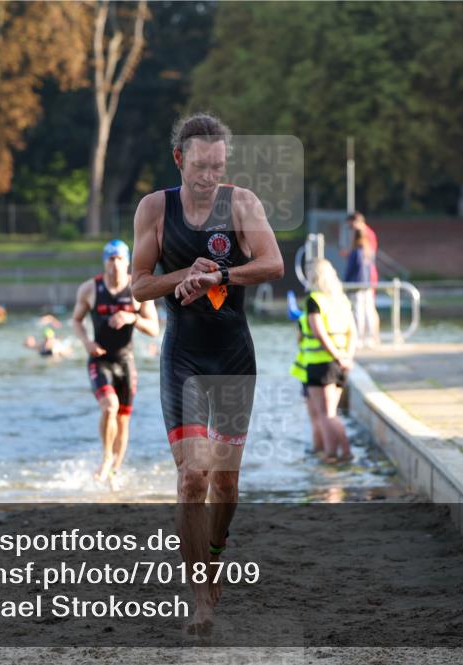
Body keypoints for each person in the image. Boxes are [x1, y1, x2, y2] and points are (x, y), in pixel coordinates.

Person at [131, 112, 284, 635]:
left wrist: (218, 274)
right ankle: (201, 598)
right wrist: (183, 275)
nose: (209, 176)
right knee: (192, 477)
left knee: (227, 482)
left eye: (218, 166)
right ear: (180, 159)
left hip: (234, 354)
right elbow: (138, 285)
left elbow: (272, 264)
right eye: (200, 166)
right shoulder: (155, 208)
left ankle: (215, 552)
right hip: (184, 357)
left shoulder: (241, 203)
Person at [71, 240, 159, 490]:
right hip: (100, 359)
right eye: (111, 258)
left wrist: (131, 317)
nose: (115, 264)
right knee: (110, 406)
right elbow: (76, 320)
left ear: (128, 261)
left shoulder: (138, 289)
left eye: (120, 258)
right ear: (104, 262)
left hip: (125, 361)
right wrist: (87, 342)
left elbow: (154, 328)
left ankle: (114, 472)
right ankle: (107, 456)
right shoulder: (90, 288)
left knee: (123, 421)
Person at [291, 260, 357, 463]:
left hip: (320, 364)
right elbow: (352, 333)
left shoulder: (314, 300)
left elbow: (319, 333)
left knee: (325, 415)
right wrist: (346, 358)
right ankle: (335, 453)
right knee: (329, 413)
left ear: (313, 277)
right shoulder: (342, 300)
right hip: (340, 364)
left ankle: (336, 454)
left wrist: (337, 356)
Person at [346, 211, 380, 346]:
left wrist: (348, 281)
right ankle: (371, 338)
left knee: (363, 309)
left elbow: (358, 264)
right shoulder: (364, 247)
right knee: (368, 308)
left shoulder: (365, 236)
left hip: (363, 279)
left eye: (351, 225)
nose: (351, 229)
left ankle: (367, 337)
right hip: (367, 278)